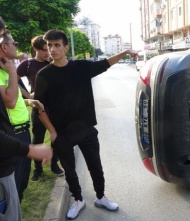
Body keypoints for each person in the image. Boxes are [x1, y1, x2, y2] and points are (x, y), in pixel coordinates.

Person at [34, 29, 137, 220]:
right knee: (70, 171)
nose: (53, 49)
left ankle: (101, 197)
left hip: (86, 129)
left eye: (57, 45)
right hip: (62, 133)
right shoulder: (44, 75)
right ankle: (78, 199)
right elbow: (39, 108)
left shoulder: (80, 68)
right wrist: (53, 132)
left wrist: (125, 52)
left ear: (65, 47)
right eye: (49, 45)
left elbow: (105, 63)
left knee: (95, 166)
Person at [0, 29, 44, 203]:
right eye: (14, 44)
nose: (17, 47)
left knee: (22, 181)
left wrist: (28, 102)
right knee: (12, 188)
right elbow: (10, 101)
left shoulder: (5, 70)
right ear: (4, 47)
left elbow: (13, 100)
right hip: (11, 135)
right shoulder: (7, 71)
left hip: (23, 131)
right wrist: (12, 71)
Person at [17, 35, 64, 181]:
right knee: (37, 138)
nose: (48, 52)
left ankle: (54, 164)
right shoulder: (27, 64)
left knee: (56, 137)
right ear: (35, 49)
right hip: (38, 107)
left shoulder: (54, 62)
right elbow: (13, 80)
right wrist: (26, 94)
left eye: (49, 48)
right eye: (44, 49)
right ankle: (37, 169)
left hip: (55, 107)